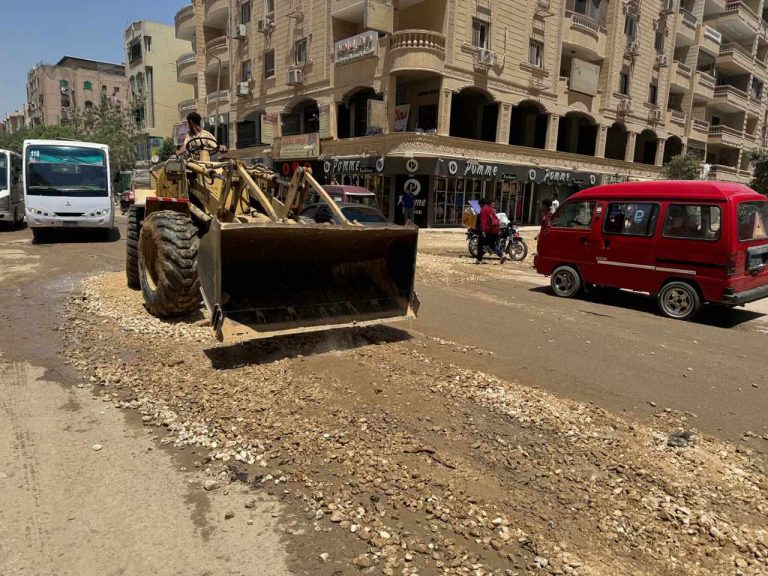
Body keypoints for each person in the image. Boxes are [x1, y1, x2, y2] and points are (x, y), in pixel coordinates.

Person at [476, 198, 505, 264]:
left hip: (488, 230)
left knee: (480, 243)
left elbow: (484, 221)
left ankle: (479, 259)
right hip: (495, 229)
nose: (479, 206)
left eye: (479, 205)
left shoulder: (483, 209)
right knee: (492, 244)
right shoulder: (491, 209)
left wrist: (483, 231)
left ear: (481, 204)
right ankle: (501, 255)